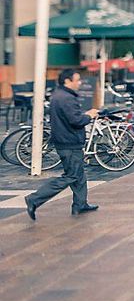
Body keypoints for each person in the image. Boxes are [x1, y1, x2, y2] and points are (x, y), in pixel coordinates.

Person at [24, 69, 100, 220]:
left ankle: (80, 204)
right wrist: (89, 115)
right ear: (67, 81)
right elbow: (76, 121)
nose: (79, 83)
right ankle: (34, 198)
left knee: (79, 176)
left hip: (65, 141)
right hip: (69, 142)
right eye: (77, 80)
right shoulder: (67, 98)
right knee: (71, 175)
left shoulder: (60, 95)